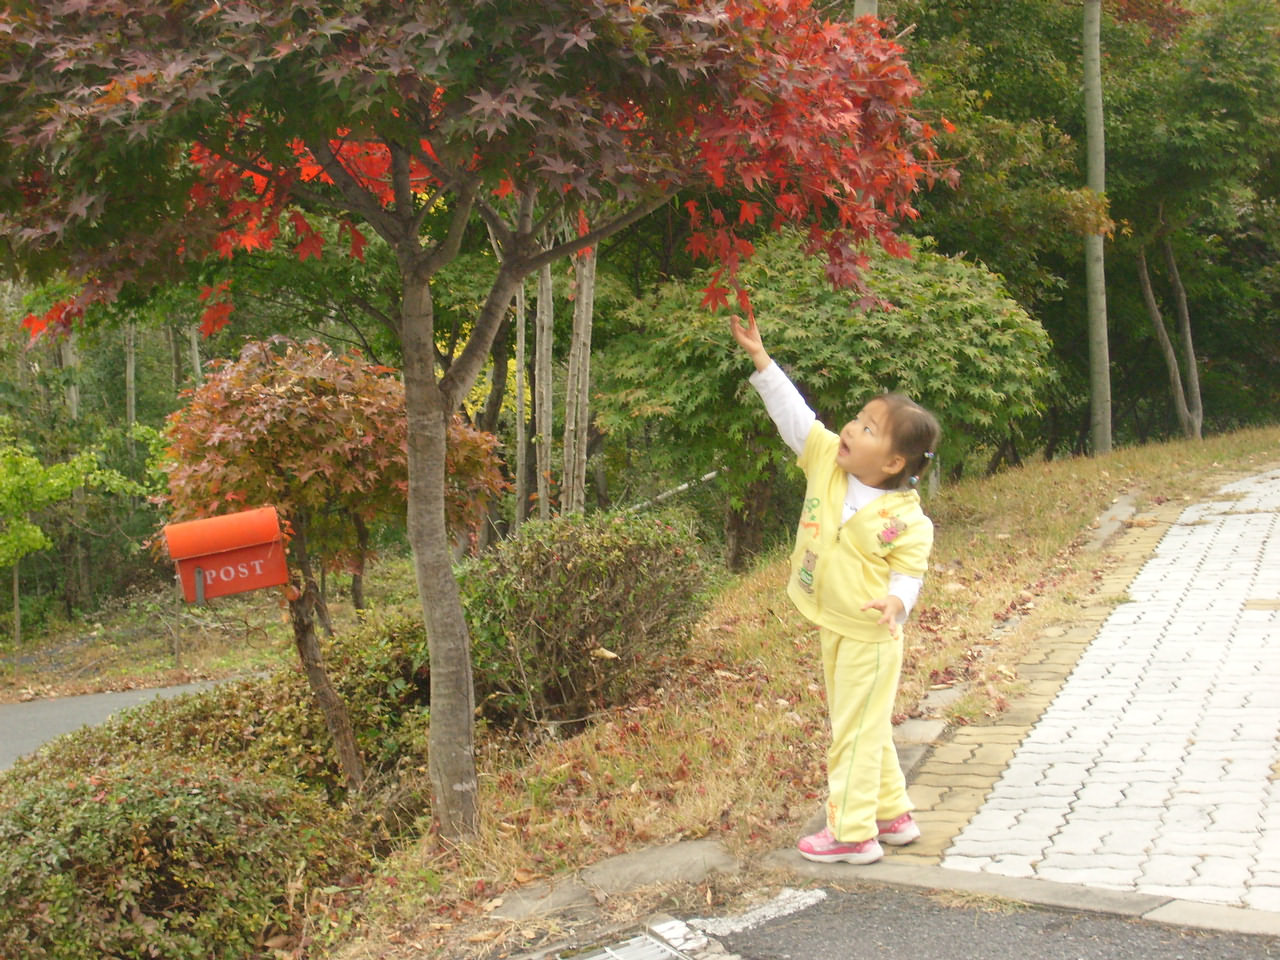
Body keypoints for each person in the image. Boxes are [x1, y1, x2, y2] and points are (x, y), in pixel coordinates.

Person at [730, 313, 941, 865]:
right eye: (856, 419)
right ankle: (891, 814)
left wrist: (898, 602)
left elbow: (910, 574)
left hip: (872, 636)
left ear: (894, 462)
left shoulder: (908, 519)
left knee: (851, 729)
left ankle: (851, 832)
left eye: (868, 429)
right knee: (862, 721)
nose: (850, 428)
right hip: (832, 620)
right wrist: (762, 360)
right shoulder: (827, 463)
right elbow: (797, 420)